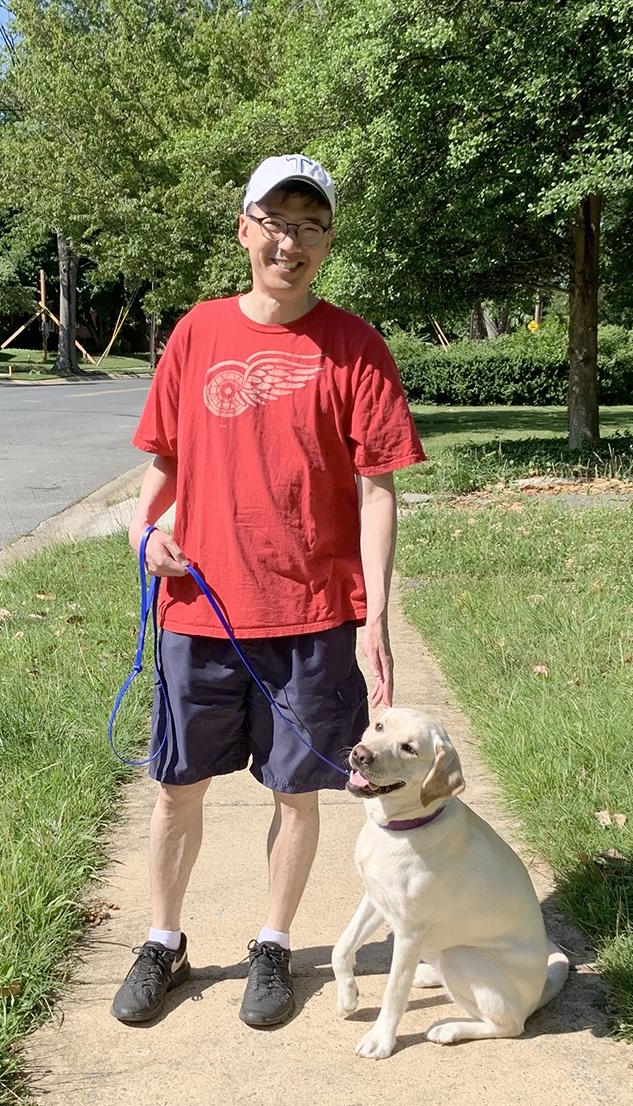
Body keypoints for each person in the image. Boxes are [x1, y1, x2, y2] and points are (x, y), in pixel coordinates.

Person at [111, 153, 425, 1029]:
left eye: (311, 226)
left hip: (311, 617)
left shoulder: (356, 346)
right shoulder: (197, 333)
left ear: (329, 241)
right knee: (177, 787)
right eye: (277, 224)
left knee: (296, 790)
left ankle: (274, 943)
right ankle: (164, 941)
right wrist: (144, 533)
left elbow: (377, 490)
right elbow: (162, 463)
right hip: (199, 611)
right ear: (245, 229)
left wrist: (376, 616)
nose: (293, 242)